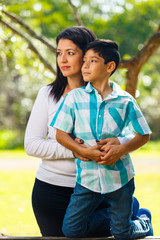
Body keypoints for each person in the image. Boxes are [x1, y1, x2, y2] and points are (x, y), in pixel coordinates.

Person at [24, 26, 135, 237]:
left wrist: (118, 144)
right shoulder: (48, 94)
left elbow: (132, 133)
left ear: (87, 55)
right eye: (59, 53)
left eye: (71, 53)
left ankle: (128, 213)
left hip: (99, 189)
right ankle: (131, 211)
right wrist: (76, 150)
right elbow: (31, 144)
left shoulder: (112, 94)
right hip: (52, 191)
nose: (62, 59)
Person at [51, 39, 153, 239]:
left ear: (110, 67)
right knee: (71, 231)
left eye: (93, 61)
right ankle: (120, 218)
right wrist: (81, 150)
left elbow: (144, 135)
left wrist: (122, 148)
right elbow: (60, 134)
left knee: (122, 234)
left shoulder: (126, 101)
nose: (85, 66)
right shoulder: (74, 98)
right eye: (84, 61)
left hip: (120, 179)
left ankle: (142, 220)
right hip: (87, 179)